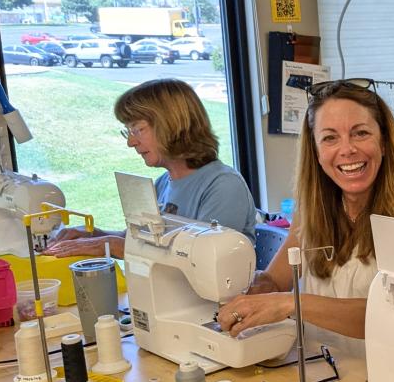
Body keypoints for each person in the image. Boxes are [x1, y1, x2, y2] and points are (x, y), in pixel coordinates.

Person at [215, 81, 394, 341]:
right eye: (330, 138)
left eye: (360, 133)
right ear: (316, 152)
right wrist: (248, 291)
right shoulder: (312, 210)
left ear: (384, 142)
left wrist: (289, 303)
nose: (347, 149)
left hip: (385, 372)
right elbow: (275, 280)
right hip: (323, 367)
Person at [45, 78, 256, 258]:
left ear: (172, 125)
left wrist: (110, 245)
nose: (130, 142)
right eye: (128, 131)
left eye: (137, 129)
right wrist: (95, 236)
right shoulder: (164, 183)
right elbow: (147, 241)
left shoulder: (223, 186)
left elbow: (205, 259)